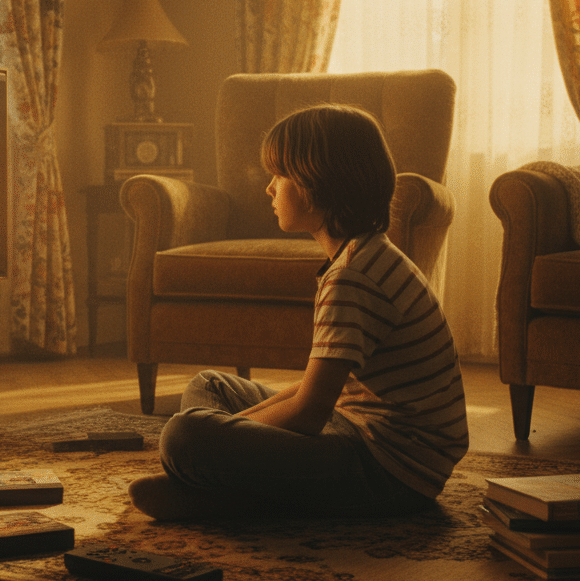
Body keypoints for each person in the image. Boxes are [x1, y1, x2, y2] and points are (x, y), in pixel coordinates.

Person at [129, 104, 469, 520]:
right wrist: (238, 430)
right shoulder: (366, 254)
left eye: (280, 176)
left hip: (390, 470)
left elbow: (310, 412)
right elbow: (320, 390)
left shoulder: (353, 277)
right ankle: (228, 488)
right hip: (359, 428)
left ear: (317, 185)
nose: (269, 189)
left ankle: (231, 497)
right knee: (210, 387)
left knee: (184, 435)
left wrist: (226, 436)